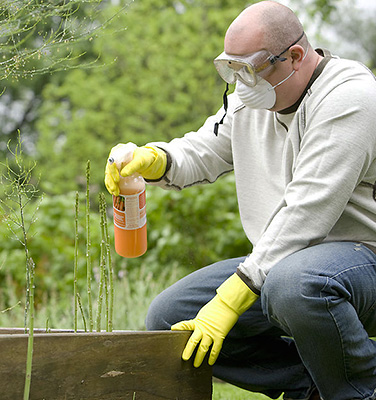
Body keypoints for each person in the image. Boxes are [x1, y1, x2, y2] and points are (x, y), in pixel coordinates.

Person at [104, 1, 376, 400]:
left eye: (247, 69)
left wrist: (232, 299)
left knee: (294, 284)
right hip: (287, 262)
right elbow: (203, 150)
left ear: (295, 57)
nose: (239, 82)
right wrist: (154, 159)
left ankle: (360, 390)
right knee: (170, 316)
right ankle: (312, 387)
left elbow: (306, 212)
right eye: (230, 68)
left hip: (362, 258)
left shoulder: (350, 98)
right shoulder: (254, 99)